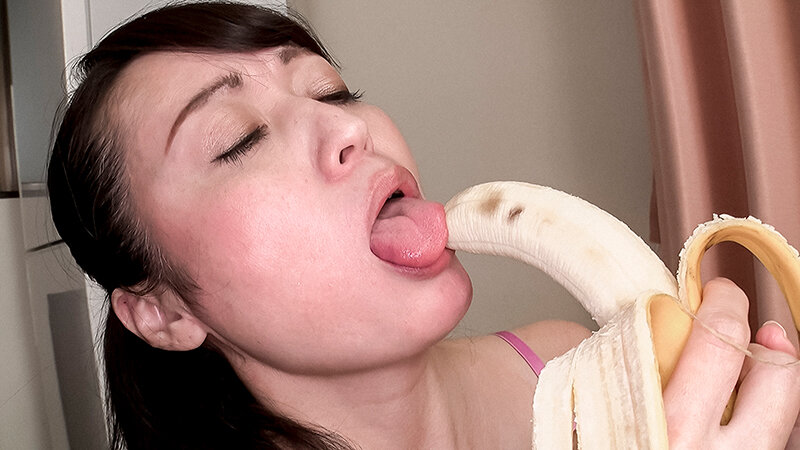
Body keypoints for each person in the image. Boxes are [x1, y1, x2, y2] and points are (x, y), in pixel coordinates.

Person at [47, 2, 799, 449]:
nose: (349, 129)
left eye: (330, 91)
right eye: (237, 140)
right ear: (163, 311)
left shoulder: (567, 363)